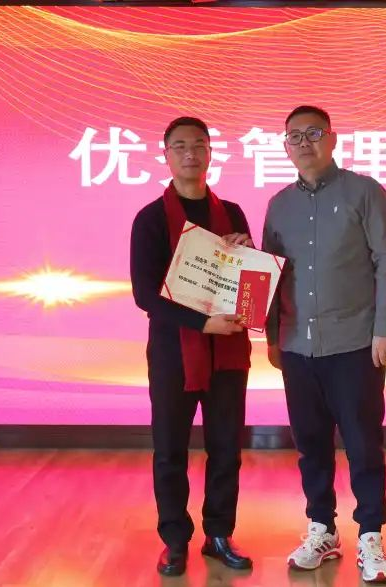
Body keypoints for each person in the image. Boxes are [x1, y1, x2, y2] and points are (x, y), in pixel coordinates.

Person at [262, 105, 386, 583]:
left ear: (333, 138)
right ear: (285, 146)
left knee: (363, 444)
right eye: (294, 136)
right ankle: (322, 529)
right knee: (310, 444)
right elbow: (270, 275)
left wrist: (385, 328)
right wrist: (272, 337)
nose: (304, 143)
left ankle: (371, 535)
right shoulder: (279, 205)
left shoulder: (365, 192)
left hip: (355, 344)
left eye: (314, 133)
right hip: (297, 346)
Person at [130, 116, 255, 576]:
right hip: (173, 354)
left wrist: (246, 251)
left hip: (228, 352)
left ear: (210, 153)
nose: (190, 153)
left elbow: (248, 283)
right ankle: (175, 539)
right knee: (170, 450)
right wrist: (203, 324)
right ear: (165, 155)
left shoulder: (233, 213)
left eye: (199, 145)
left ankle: (219, 534)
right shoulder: (150, 219)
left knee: (226, 448)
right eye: (180, 146)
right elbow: (145, 295)